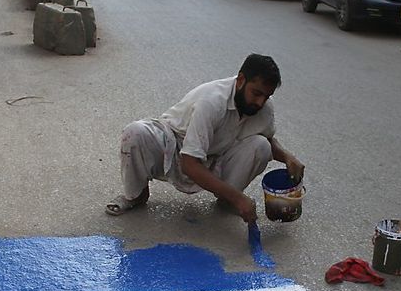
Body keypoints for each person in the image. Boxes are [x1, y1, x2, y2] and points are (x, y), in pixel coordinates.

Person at [105, 54, 305, 223]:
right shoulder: (212, 101)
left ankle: (227, 199)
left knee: (261, 146)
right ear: (241, 80)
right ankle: (136, 195)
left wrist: (288, 157)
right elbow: (189, 164)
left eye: (266, 96)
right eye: (256, 94)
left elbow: (267, 138)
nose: (259, 102)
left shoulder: (263, 108)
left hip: (215, 155)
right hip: (175, 146)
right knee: (135, 133)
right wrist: (240, 198)